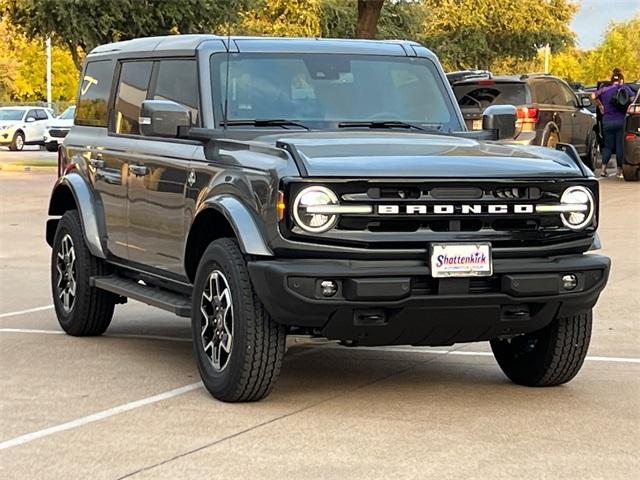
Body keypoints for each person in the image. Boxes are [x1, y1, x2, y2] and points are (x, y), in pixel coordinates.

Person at [593, 68, 633, 178]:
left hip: (607, 121)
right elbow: (633, 98)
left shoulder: (605, 89)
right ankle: (619, 171)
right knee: (620, 146)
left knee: (607, 146)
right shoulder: (624, 88)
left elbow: (592, 95)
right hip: (621, 121)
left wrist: (600, 105)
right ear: (621, 80)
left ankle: (603, 170)